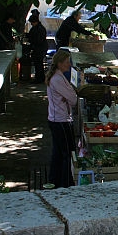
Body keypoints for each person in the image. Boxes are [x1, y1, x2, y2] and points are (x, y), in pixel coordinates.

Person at [45, 51, 78, 188]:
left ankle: (54, 181)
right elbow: (73, 99)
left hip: (57, 119)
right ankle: (65, 182)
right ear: (60, 64)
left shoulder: (58, 76)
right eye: (66, 62)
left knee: (58, 153)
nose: (69, 64)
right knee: (67, 153)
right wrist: (70, 95)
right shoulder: (57, 79)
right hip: (60, 121)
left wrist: (69, 94)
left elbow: (70, 95)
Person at [27, 13, 48, 83]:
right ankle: (40, 78)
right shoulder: (39, 28)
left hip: (39, 48)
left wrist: (31, 42)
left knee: (38, 64)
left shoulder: (38, 29)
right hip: (40, 48)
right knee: (39, 64)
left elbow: (38, 40)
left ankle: (39, 78)